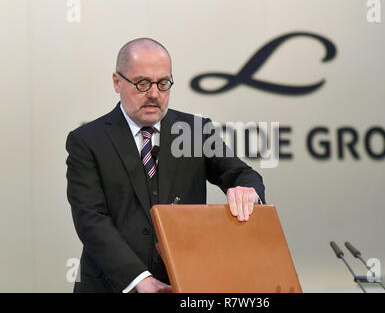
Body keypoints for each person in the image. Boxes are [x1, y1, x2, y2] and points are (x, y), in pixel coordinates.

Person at [66, 37, 265, 293]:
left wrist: (247, 190)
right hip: (111, 286)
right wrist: (139, 279)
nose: (154, 94)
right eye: (142, 83)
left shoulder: (194, 131)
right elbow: (90, 220)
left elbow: (240, 174)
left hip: (183, 284)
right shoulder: (87, 141)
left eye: (163, 83)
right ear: (117, 82)